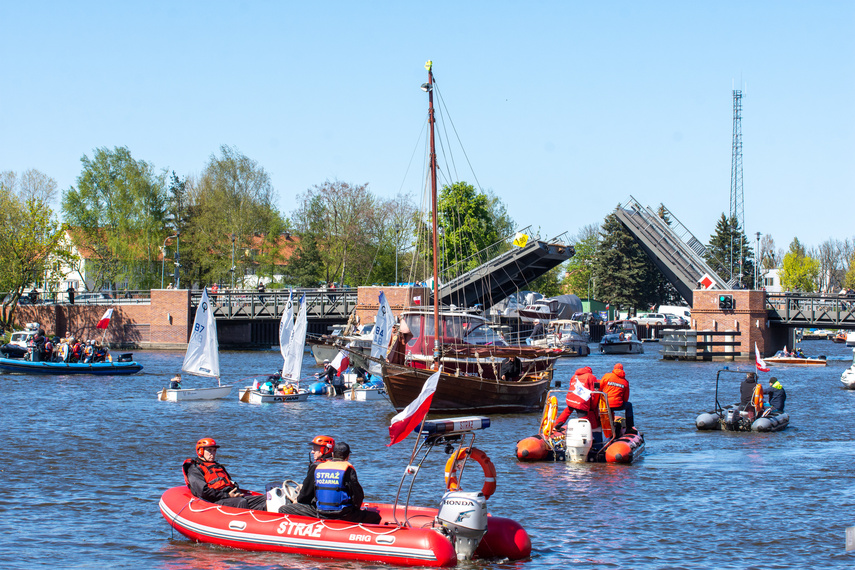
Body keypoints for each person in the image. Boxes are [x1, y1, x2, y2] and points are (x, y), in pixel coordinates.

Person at [285, 442, 381, 524]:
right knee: (376, 517)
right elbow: (357, 496)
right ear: (348, 456)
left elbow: (308, 495)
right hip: (343, 514)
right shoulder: (347, 469)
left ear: (333, 455)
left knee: (284, 509)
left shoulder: (319, 468)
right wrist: (355, 509)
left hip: (321, 513)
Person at [183, 438, 267, 510]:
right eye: (209, 450)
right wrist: (227, 495)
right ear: (200, 451)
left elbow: (231, 483)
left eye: (214, 450)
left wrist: (236, 493)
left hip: (229, 496)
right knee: (241, 502)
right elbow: (203, 492)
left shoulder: (218, 466)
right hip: (215, 500)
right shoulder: (194, 469)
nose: (212, 453)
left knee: (265, 498)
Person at [279, 435, 336, 517]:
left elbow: (305, 497)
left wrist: (297, 500)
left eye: (315, 449)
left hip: (320, 510)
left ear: (326, 449)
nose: (312, 452)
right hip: (336, 508)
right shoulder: (338, 465)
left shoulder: (317, 466)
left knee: (283, 509)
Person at [553, 366, 601, 431]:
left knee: (567, 411)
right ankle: (585, 432)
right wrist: (592, 406)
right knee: (584, 418)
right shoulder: (591, 377)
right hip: (581, 401)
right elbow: (593, 392)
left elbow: (571, 386)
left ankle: (556, 426)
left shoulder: (574, 376)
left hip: (570, 399)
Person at [601, 362, 634, 430]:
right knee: (629, 405)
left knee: (607, 409)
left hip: (606, 404)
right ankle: (629, 427)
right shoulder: (625, 382)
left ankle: (605, 425)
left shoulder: (607, 376)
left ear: (614, 369)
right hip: (618, 404)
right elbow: (626, 397)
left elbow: (599, 387)